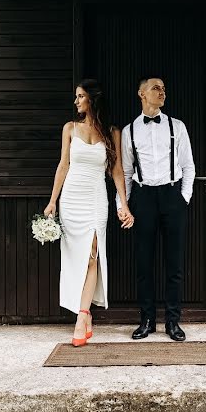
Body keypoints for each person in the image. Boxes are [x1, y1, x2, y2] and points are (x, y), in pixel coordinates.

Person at [44, 79, 134, 347]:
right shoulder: (69, 128)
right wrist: (52, 201)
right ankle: (85, 313)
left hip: (96, 198)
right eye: (76, 97)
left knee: (93, 255)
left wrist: (124, 205)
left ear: (92, 100)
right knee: (77, 259)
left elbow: (116, 171)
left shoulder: (112, 132)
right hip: (72, 198)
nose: (76, 101)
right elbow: (63, 165)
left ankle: (82, 317)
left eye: (80, 96)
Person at [121, 76, 195, 342]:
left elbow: (188, 166)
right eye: (156, 88)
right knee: (144, 263)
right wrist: (125, 206)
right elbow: (127, 172)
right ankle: (147, 321)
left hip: (171, 196)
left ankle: (173, 322)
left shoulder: (177, 126)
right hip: (143, 199)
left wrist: (183, 197)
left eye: (164, 88)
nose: (162, 92)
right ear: (141, 93)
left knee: (174, 263)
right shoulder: (129, 131)